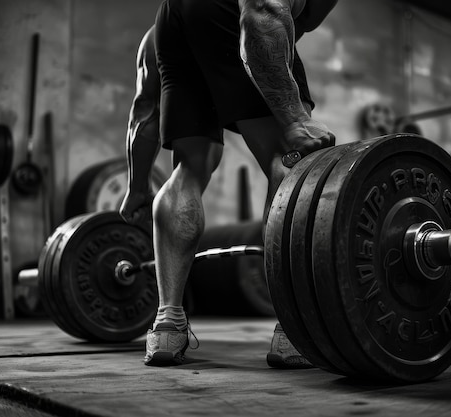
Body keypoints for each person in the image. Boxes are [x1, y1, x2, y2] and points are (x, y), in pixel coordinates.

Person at [120, 0, 338, 367]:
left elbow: (144, 111)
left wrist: (137, 187)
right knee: (287, 159)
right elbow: (263, 8)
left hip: (176, 16)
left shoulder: (154, 36)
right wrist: (294, 119)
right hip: (236, 9)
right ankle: (292, 330)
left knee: (188, 168)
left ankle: (167, 325)